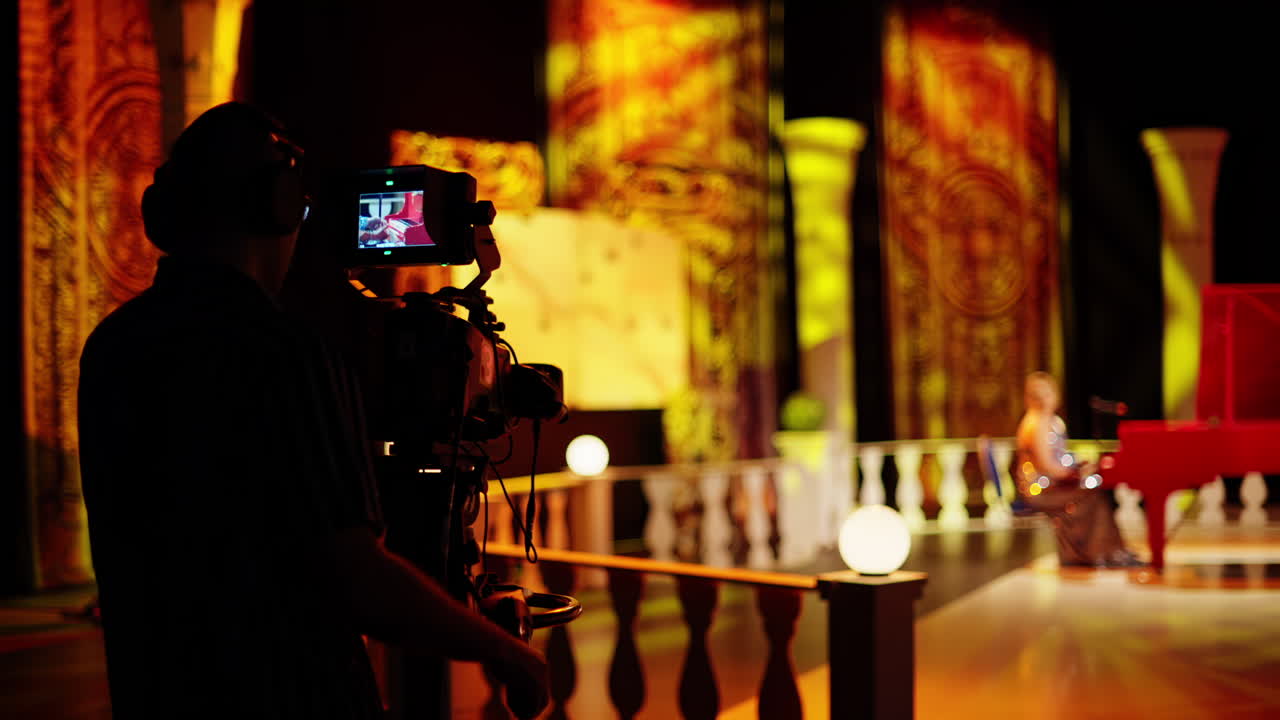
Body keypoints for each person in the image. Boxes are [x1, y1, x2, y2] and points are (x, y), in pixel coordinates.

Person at [78, 102, 547, 719]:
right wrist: (505, 652)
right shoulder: (284, 355)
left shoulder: (113, 345)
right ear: (276, 207)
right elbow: (355, 574)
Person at [1015, 372, 1142, 567]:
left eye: (1047, 393)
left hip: (1055, 482)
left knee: (1096, 491)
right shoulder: (1036, 423)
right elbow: (1046, 465)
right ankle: (1099, 552)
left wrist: (1078, 465)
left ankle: (1107, 550)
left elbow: (1060, 457)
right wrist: (1073, 474)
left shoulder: (1053, 421)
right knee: (1093, 493)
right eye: (1039, 394)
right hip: (1042, 488)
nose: (1045, 399)